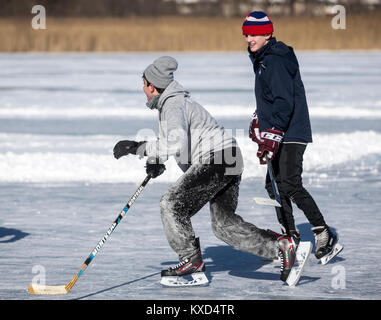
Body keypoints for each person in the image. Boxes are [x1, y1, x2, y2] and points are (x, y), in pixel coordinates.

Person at [113, 56, 298, 285]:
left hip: (217, 158)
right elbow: (177, 141)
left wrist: (137, 147)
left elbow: (175, 141)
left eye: (144, 84)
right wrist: (157, 159)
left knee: (171, 204)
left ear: (153, 86)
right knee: (223, 225)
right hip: (229, 157)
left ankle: (191, 259)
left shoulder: (172, 104)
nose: (143, 89)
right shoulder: (173, 103)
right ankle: (280, 246)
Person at [243, 11, 342, 262]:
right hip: (281, 129)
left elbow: (284, 101)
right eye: (246, 34)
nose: (249, 39)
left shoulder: (274, 60)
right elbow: (271, 98)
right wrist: (259, 120)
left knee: (288, 183)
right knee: (273, 184)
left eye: (254, 34)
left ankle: (322, 233)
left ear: (267, 33)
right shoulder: (264, 59)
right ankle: (291, 236)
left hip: (290, 131)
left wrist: (272, 132)